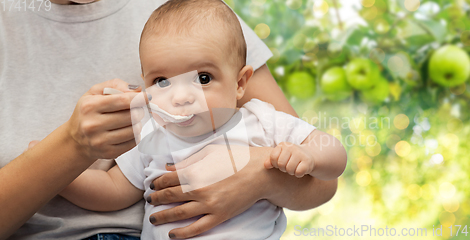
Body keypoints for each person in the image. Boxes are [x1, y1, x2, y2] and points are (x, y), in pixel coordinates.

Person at [0, 0, 345, 239]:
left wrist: (300, 160)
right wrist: (60, 162)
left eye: (204, 78)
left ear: (240, 83)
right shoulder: (154, 133)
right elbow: (115, 190)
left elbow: (327, 166)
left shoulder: (260, 120)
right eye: (161, 82)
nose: (181, 95)